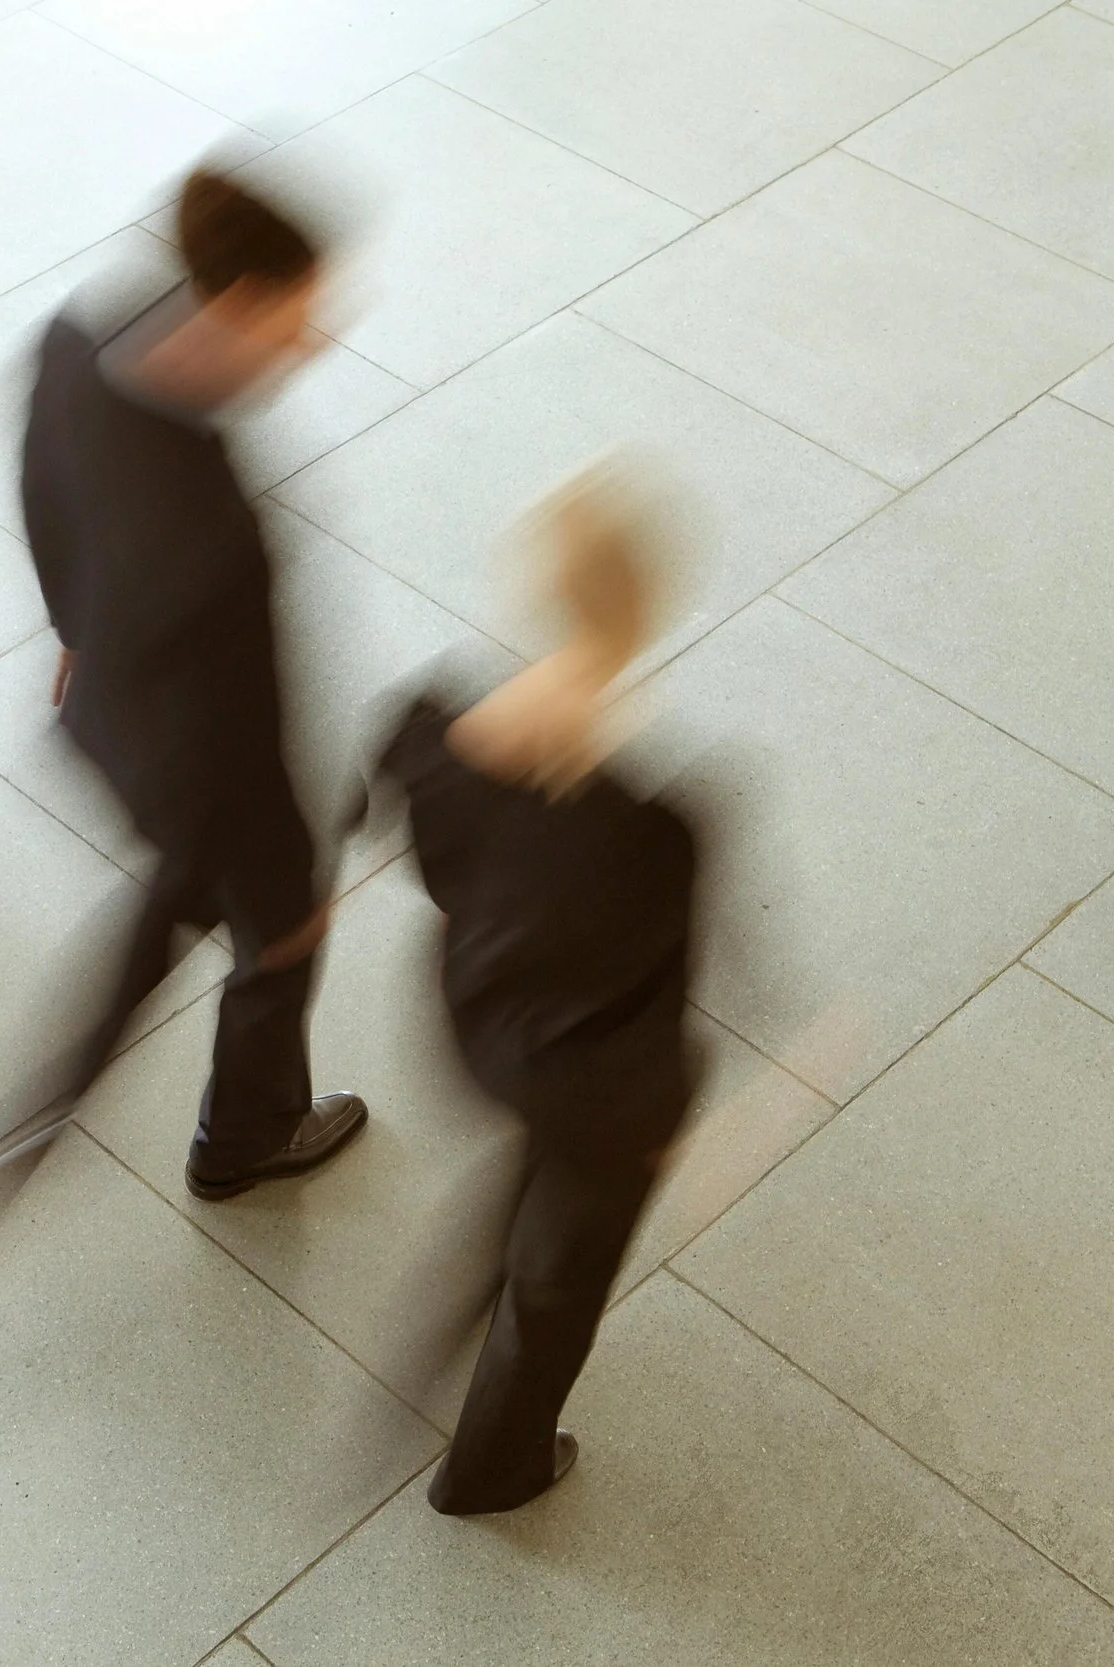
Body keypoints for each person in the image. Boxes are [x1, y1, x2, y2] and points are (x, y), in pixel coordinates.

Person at [19, 167, 366, 1201]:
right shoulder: (213, 534)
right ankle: (245, 1136)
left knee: (205, 909)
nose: (313, 342)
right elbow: (242, 732)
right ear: (241, 306)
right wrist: (287, 889)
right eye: (298, 320)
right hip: (196, 776)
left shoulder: (80, 340)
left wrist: (73, 627)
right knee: (276, 932)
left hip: (103, 713)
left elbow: (43, 490)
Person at [373, 463, 699, 1514]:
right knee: (560, 1268)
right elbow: (654, 1003)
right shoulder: (653, 828)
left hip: (473, 1020)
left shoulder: (423, 729)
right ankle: (493, 1462)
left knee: (540, 1173)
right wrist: (659, 1124)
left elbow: (422, 856)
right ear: (644, 611)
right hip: (585, 1081)